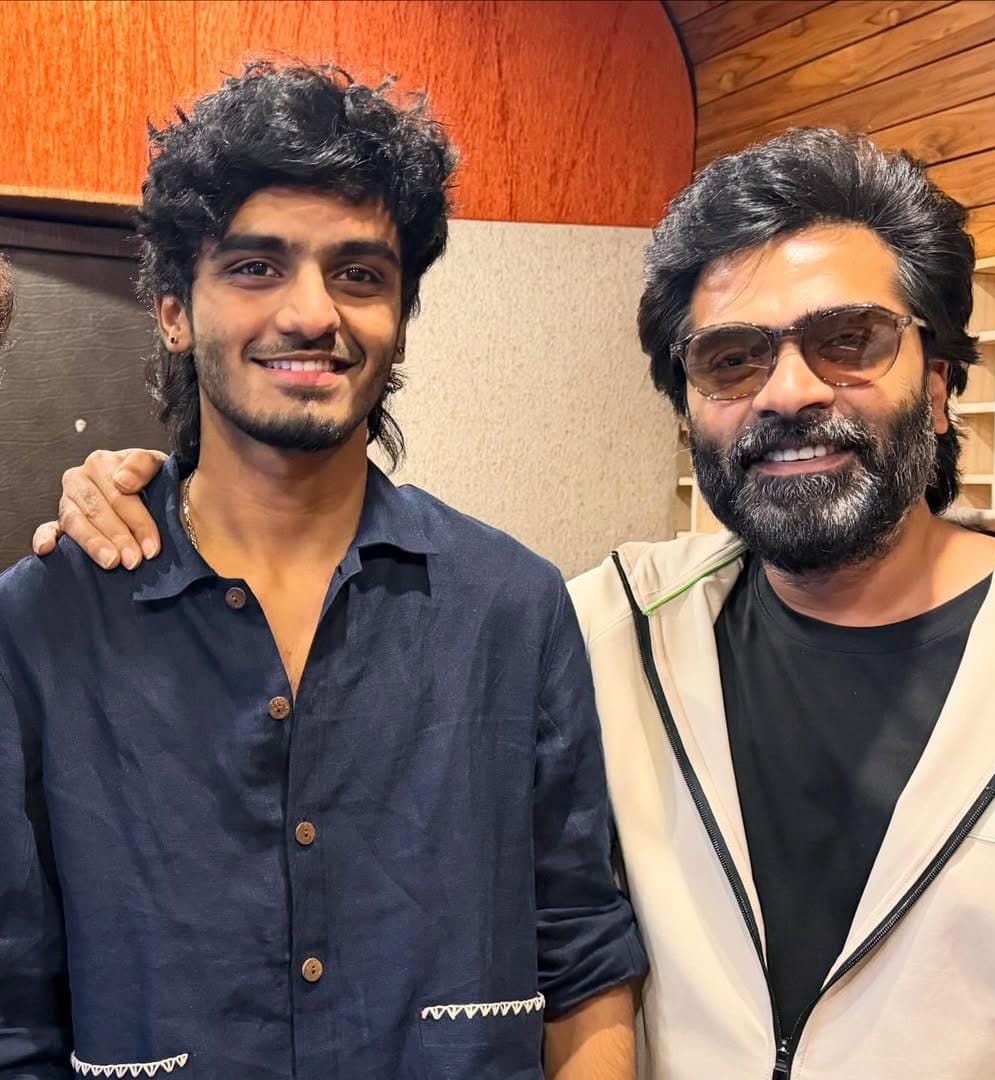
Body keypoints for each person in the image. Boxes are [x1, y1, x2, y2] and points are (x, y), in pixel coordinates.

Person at [36, 130, 995, 1079]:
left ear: (939, 380)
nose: (790, 391)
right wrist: (136, 492)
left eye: (850, 340)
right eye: (733, 358)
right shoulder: (604, 626)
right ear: (688, 410)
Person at [0, 62, 645, 1080]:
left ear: (400, 317)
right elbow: (16, 1015)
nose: (312, 313)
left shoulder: (513, 610)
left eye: (359, 274)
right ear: (173, 310)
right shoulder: (44, 624)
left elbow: (583, 952)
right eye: (256, 267)